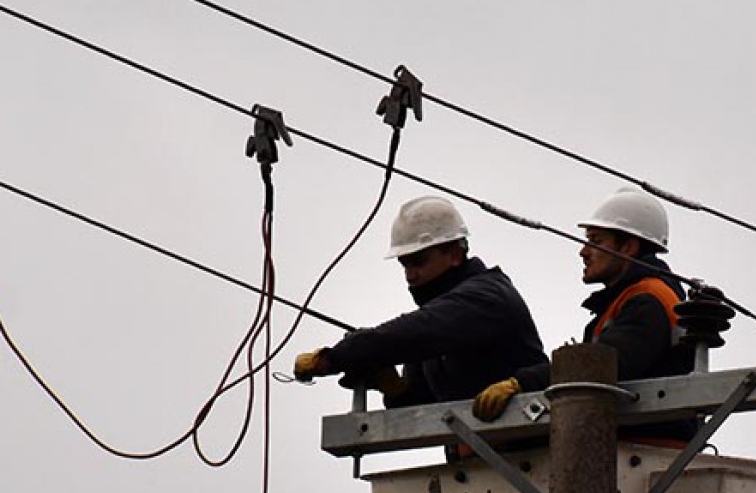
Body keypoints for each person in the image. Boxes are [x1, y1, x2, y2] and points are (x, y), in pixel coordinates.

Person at [471, 187, 697, 442]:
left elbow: (601, 366)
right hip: (632, 449)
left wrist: (522, 383)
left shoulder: (648, 299)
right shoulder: (631, 299)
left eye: (596, 241)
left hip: (647, 451)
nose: (583, 251)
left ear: (628, 247)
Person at [293, 196, 546, 407]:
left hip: (530, 451)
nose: (410, 274)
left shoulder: (485, 297)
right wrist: (394, 388)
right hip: (475, 458)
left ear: (455, 255)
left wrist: (335, 357)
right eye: (404, 264)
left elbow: (409, 334)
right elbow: (421, 405)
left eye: (419, 261)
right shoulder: (435, 327)